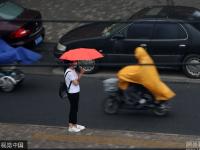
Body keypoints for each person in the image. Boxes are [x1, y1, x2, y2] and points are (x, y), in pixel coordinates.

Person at [65, 61, 86, 132]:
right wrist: (81, 73)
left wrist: (79, 71)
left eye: (76, 62)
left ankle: (75, 124)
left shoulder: (73, 70)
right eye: (74, 62)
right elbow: (76, 83)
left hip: (75, 92)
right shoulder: (69, 72)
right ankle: (71, 126)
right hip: (72, 93)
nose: (76, 63)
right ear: (70, 63)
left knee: (75, 109)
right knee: (73, 109)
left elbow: (76, 79)